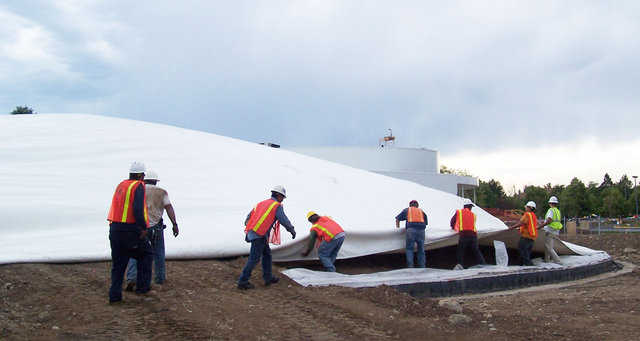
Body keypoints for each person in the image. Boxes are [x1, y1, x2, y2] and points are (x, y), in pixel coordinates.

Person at [106, 161, 153, 303]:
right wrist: (143, 227)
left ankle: (114, 296)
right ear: (140, 175)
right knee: (147, 254)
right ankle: (142, 288)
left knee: (118, 264)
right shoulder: (138, 186)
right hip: (130, 230)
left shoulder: (121, 185)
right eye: (143, 175)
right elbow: (138, 209)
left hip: (115, 229)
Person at [125, 170, 179, 291]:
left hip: (140, 226)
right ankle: (160, 277)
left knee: (135, 253)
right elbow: (169, 207)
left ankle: (131, 278)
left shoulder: (139, 190)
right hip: (156, 227)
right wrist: (174, 224)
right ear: (155, 181)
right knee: (158, 252)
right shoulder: (162, 192)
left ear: (144, 180)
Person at [237, 185, 296, 290]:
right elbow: (283, 220)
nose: (282, 200)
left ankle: (268, 277)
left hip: (255, 232)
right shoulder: (276, 205)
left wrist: (251, 228)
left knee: (267, 255)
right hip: (259, 234)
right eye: (282, 197)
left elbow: (248, 217)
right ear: (278, 195)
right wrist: (291, 229)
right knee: (254, 259)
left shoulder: (261, 203)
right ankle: (243, 281)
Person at [450, 199, 486, 269]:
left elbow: (452, 222)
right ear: (469, 206)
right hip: (473, 235)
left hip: (464, 235)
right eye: (471, 207)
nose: (471, 208)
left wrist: (453, 227)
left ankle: (460, 265)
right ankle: (483, 264)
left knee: (461, 251)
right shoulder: (473, 215)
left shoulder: (459, 212)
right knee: (476, 251)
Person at [395, 200, 428, 268]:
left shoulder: (407, 210)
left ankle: (410, 267)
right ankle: (422, 266)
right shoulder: (421, 211)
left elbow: (397, 219)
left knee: (410, 249)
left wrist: (397, 229)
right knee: (421, 249)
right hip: (421, 231)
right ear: (417, 205)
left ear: (410, 205)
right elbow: (426, 223)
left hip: (411, 231)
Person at [510, 201, 539, 266]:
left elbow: (521, 223)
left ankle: (529, 265)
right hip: (532, 237)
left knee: (522, 250)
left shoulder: (527, 214)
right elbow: (528, 225)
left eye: (526, 207)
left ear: (530, 208)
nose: (525, 208)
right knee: (526, 252)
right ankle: (520, 264)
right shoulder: (533, 216)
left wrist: (512, 227)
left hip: (526, 236)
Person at [537, 196, 563, 264]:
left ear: (550, 203)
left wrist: (540, 226)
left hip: (550, 230)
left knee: (548, 247)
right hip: (556, 230)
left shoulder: (551, 210)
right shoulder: (557, 211)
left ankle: (558, 261)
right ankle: (547, 260)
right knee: (548, 246)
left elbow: (549, 220)